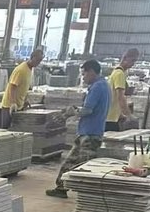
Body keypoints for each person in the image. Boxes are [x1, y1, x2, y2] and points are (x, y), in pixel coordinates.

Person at [46, 59, 110, 198]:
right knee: (71, 161)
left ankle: (87, 196)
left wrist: (71, 112)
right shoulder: (104, 85)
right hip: (87, 132)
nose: (83, 77)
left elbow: (87, 110)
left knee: (84, 166)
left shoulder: (97, 87)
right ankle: (61, 187)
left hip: (90, 134)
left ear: (91, 72)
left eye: (84, 74)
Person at [105, 47, 140, 131]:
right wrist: (129, 115)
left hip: (110, 116)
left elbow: (113, 97)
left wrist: (120, 114)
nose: (133, 64)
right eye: (132, 60)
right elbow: (120, 97)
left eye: (135, 61)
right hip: (111, 119)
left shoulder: (115, 72)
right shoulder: (119, 74)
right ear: (125, 58)